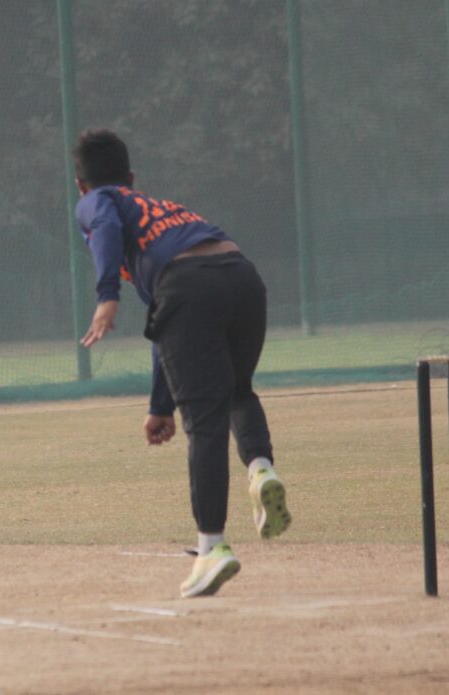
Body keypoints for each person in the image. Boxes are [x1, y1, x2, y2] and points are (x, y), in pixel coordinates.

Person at [72, 129, 290, 597]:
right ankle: (261, 469)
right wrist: (160, 406)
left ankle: (212, 549)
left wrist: (107, 296)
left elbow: (107, 227)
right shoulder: (166, 211)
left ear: (80, 186)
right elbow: (166, 325)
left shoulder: (96, 201)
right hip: (242, 277)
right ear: (132, 177)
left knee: (205, 422)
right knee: (236, 390)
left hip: (188, 286)